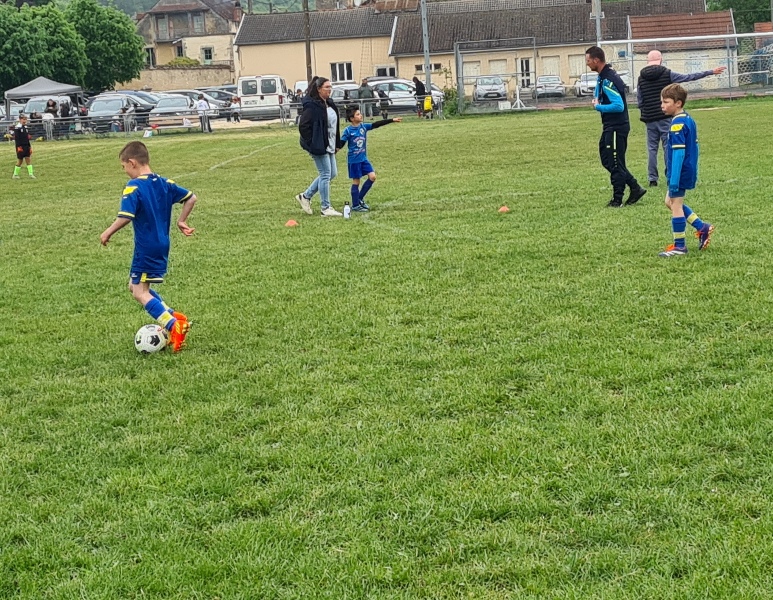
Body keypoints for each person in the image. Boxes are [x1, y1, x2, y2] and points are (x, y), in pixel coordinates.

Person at [100, 141, 197, 352]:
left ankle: (173, 325)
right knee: (134, 286)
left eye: (124, 167)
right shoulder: (164, 182)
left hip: (146, 247)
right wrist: (181, 221)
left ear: (132, 162)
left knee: (139, 292)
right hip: (162, 244)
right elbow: (191, 198)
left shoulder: (134, 186)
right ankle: (173, 316)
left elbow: (125, 216)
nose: (125, 171)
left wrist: (107, 232)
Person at [638, 50, 726, 187]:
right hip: (665, 117)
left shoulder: (641, 78)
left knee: (652, 149)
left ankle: (652, 179)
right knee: (668, 147)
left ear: (647, 61)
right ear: (661, 60)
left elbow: (640, 99)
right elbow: (688, 77)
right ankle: (670, 174)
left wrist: (644, 111)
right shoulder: (667, 73)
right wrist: (710, 72)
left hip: (649, 118)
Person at [585, 46, 647, 208]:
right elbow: (600, 93)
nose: (587, 64)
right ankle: (635, 187)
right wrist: (597, 98)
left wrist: (598, 107)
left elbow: (618, 106)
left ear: (596, 60)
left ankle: (617, 199)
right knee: (607, 160)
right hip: (610, 126)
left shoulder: (608, 79)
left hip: (616, 127)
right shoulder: (604, 76)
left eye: (588, 60)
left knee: (614, 162)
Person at [657, 84, 713, 258]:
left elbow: (679, 153)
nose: (662, 105)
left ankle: (680, 246)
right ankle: (702, 227)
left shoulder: (677, 124)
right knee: (670, 202)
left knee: (675, 205)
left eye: (666, 102)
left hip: (680, 171)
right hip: (687, 169)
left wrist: (674, 178)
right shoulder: (688, 119)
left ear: (678, 103)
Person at [295, 76, 345, 217]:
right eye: (327, 87)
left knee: (332, 173)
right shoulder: (312, 106)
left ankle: (305, 196)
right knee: (325, 174)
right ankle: (325, 208)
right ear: (318, 89)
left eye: (330, 87)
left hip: (329, 145)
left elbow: (334, 126)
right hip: (319, 146)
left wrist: (337, 143)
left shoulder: (329, 103)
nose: (330, 89)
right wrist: (313, 143)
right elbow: (303, 126)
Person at [340, 107, 401, 212]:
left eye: (360, 113)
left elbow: (376, 124)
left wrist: (391, 120)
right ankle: (355, 206)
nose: (361, 115)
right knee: (356, 181)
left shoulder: (363, 127)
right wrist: (334, 150)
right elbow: (341, 143)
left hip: (363, 159)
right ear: (352, 118)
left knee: (372, 177)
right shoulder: (348, 131)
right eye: (358, 114)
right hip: (354, 160)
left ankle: (359, 199)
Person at [12, 114, 35, 179]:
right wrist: (19, 147)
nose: (25, 121)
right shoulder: (17, 128)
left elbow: (27, 138)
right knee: (20, 160)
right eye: (23, 119)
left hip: (26, 146)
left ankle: (31, 174)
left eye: (25, 119)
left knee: (28, 159)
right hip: (20, 146)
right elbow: (17, 139)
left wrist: (29, 147)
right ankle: (15, 174)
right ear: (20, 120)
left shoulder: (25, 127)